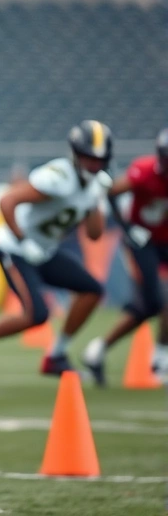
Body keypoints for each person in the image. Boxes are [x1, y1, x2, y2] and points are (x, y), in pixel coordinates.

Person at [0, 120, 111, 382]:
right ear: (75, 154)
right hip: (16, 249)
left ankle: (56, 355)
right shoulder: (57, 177)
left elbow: (95, 235)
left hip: (45, 251)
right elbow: (8, 201)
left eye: (99, 160)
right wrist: (23, 240)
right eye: (88, 158)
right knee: (36, 315)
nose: (93, 165)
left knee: (92, 290)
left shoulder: (96, 185)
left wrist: (96, 200)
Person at [82, 128, 168, 385]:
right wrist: (129, 229)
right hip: (144, 243)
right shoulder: (143, 171)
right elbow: (110, 193)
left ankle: (98, 350)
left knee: (149, 307)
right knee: (158, 302)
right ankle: (160, 358)